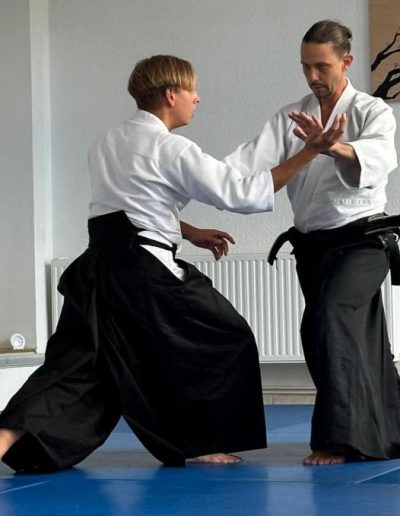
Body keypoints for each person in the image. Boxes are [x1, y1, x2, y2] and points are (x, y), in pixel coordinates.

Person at [0, 55, 344, 473]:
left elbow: (130, 207)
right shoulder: (170, 147)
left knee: (78, 363)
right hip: (143, 271)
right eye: (191, 90)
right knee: (225, 335)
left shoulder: (108, 141)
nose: (196, 98)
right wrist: (311, 151)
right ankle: (198, 443)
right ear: (170, 94)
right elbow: (241, 193)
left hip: (97, 270)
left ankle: (5, 438)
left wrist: (189, 231)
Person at [225, 20, 400, 466]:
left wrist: (332, 148)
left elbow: (380, 159)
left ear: (346, 62)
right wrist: (188, 171)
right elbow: (245, 162)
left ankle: (337, 439)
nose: (312, 76)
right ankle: (388, 429)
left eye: (321, 66)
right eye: (305, 67)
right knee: (337, 331)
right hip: (312, 247)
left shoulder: (370, 111)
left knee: (332, 317)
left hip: (363, 241)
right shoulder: (292, 117)